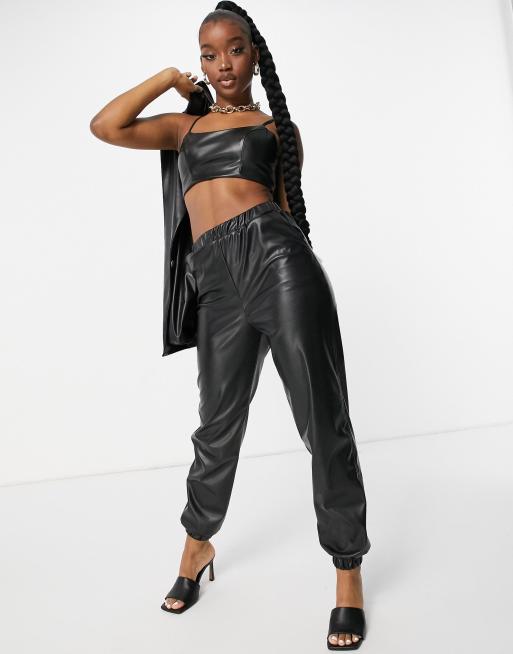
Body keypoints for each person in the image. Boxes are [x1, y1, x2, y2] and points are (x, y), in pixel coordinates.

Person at [90, 3, 371, 649]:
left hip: (277, 261)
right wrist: (168, 78)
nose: (222, 64)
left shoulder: (276, 128)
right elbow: (106, 126)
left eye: (235, 49)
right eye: (209, 53)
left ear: (254, 55)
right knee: (217, 424)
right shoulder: (183, 128)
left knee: (322, 418)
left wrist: (288, 261)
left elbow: (286, 208)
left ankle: (347, 570)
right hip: (215, 281)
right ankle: (197, 547)